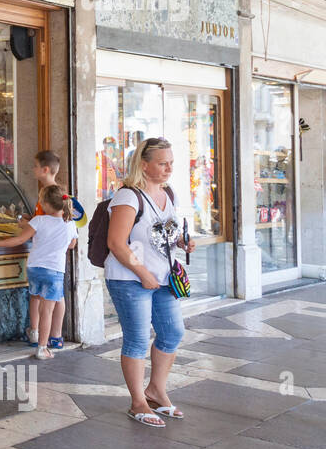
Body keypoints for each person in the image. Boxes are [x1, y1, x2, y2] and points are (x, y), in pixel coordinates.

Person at [104, 136, 196, 429]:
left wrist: (181, 241)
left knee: (172, 333)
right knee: (138, 338)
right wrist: (143, 273)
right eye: (162, 163)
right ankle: (137, 401)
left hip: (163, 278)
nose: (169, 168)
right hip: (130, 279)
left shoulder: (168, 194)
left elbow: (161, 234)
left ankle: (156, 390)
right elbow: (117, 243)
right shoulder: (128, 197)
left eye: (171, 163)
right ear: (144, 166)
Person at [0, 186, 77, 360]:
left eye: (41, 201)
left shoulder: (38, 221)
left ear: (47, 205)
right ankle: (42, 348)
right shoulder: (70, 224)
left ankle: (34, 332)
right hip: (54, 271)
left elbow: (19, 239)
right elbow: (72, 245)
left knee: (35, 298)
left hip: (34, 268)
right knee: (47, 310)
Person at [17, 149, 86, 350]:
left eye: (36, 166)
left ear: (45, 169)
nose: (33, 170)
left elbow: (68, 231)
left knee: (48, 299)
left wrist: (27, 225)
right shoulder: (53, 197)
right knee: (56, 298)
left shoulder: (55, 197)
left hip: (48, 260)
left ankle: (43, 334)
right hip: (54, 262)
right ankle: (52, 336)